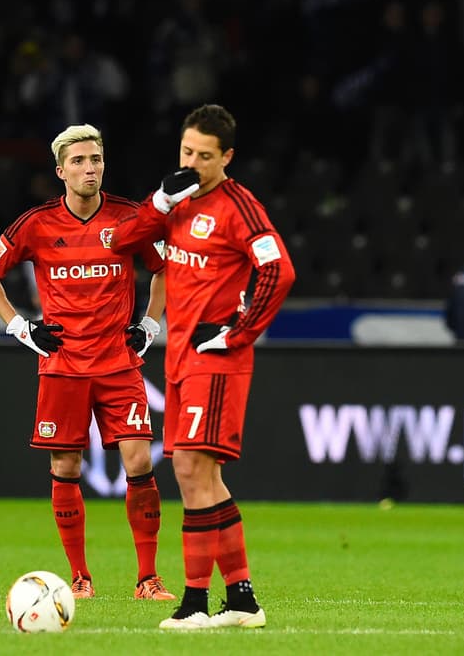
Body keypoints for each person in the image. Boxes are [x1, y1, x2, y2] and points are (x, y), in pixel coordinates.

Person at [0, 123, 176, 602]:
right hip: (63, 364)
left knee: (139, 460)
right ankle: (80, 578)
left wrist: (150, 324)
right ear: (60, 171)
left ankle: (147, 579)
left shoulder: (129, 217)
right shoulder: (36, 223)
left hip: (118, 362)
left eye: (96, 159)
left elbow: (165, 268)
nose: (90, 169)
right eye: (79, 161)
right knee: (65, 466)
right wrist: (20, 327)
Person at [114, 103, 296, 631]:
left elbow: (279, 271)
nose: (192, 163)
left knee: (192, 471)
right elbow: (123, 241)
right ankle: (241, 600)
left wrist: (238, 333)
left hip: (215, 360)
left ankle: (195, 602)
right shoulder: (175, 202)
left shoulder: (240, 207)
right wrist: (159, 201)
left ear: (227, 157)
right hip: (180, 359)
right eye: (186, 151)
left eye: (204, 156)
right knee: (204, 477)